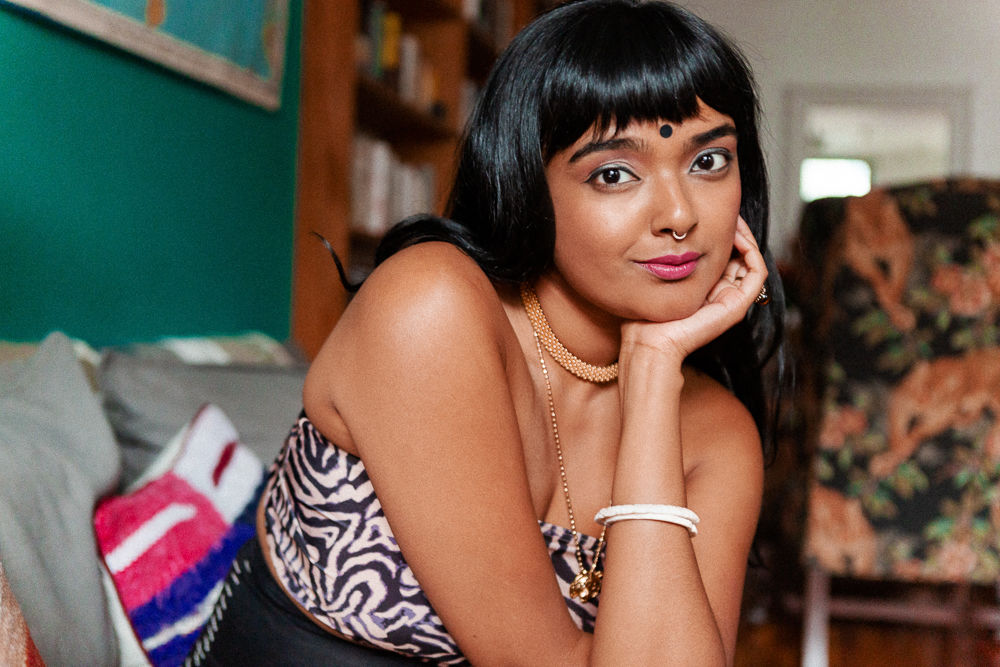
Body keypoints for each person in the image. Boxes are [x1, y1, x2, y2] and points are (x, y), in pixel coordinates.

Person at [186, 0, 784, 664]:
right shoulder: (431, 306)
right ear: (527, 184)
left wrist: (650, 369)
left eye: (709, 161)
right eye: (614, 173)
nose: (679, 214)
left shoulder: (716, 433)